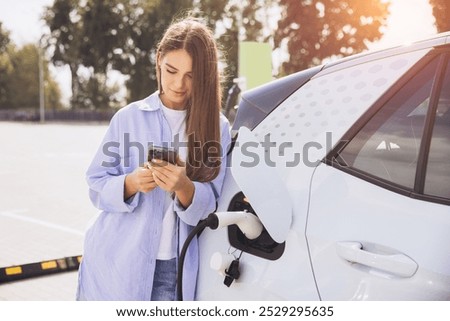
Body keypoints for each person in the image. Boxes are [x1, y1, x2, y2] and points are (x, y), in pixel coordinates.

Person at [76, 15, 231, 301]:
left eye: (191, 76)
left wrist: (184, 186)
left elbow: (213, 205)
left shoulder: (217, 127)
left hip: (172, 270)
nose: (178, 85)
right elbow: (95, 184)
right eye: (171, 70)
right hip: (116, 262)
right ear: (159, 59)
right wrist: (131, 183)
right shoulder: (128, 118)